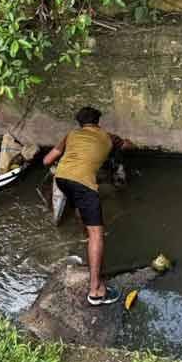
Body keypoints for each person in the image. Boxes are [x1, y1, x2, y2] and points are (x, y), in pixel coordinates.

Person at [43, 106, 132, 307]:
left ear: (79, 122)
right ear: (98, 121)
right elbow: (127, 145)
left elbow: (46, 159)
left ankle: (85, 232)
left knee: (79, 207)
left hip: (62, 179)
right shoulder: (108, 136)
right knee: (97, 234)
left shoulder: (70, 135)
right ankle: (96, 291)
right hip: (83, 183)